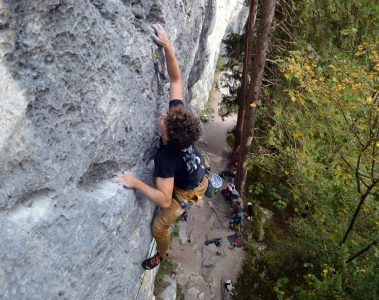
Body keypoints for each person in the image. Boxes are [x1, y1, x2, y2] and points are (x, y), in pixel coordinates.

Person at [112, 24, 208, 270]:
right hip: (197, 172)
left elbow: (164, 200)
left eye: (165, 123)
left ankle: (162, 255)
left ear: (168, 139)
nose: (163, 118)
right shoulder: (179, 123)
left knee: (159, 226)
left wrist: (135, 182)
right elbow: (176, 79)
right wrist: (167, 46)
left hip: (188, 191)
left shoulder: (166, 157)